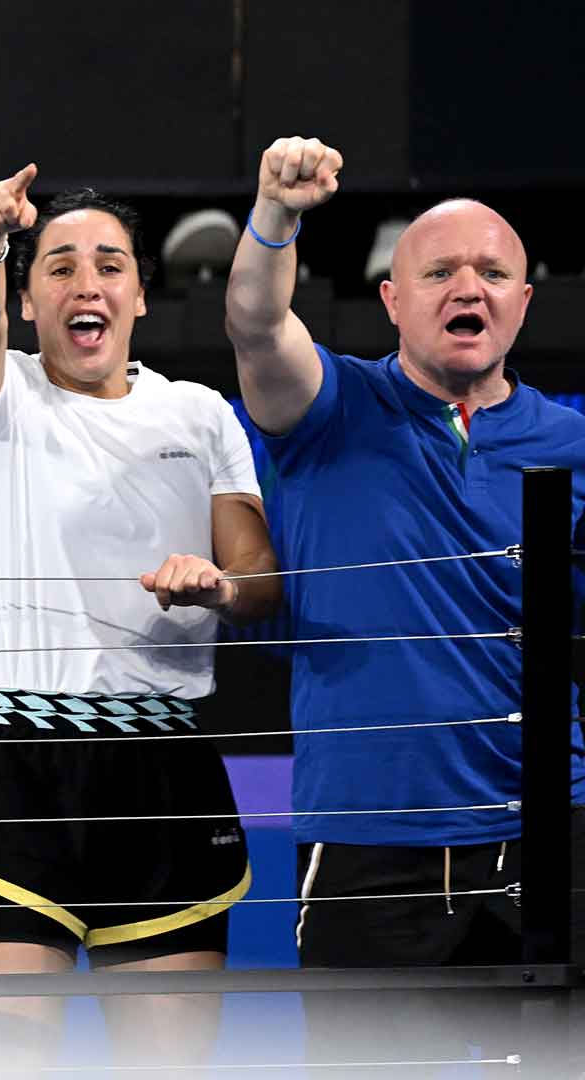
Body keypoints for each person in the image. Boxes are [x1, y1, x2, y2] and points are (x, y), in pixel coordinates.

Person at [225, 136, 585, 1070]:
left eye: (493, 272)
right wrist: (276, 214)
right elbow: (258, 326)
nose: (470, 286)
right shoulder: (329, 409)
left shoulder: (571, 442)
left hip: (549, 838)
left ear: (523, 302)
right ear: (392, 299)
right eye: (441, 271)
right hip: (366, 846)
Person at [0, 167, 278, 1069]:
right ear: (29, 299)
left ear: (141, 297)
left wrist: (219, 588)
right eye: (60, 266)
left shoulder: (199, 414)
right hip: (17, 770)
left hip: (168, 774)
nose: (88, 283)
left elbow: (260, 576)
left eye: (110, 265)